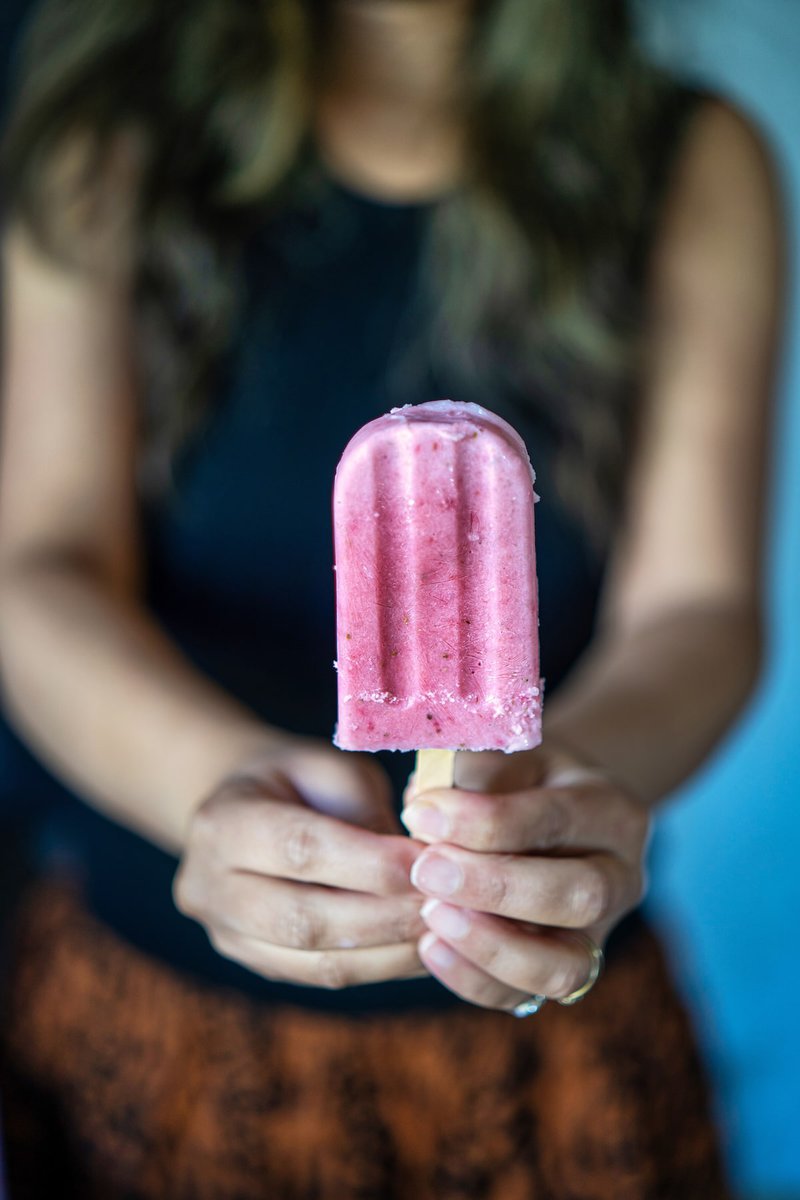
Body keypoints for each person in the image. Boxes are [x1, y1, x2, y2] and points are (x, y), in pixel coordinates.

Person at [0, 0, 783, 1196]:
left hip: (554, 1049)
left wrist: (557, 771)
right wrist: (208, 783)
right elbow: (36, 565)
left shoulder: (691, 159)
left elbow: (699, 611)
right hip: (155, 1026)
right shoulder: (103, 141)